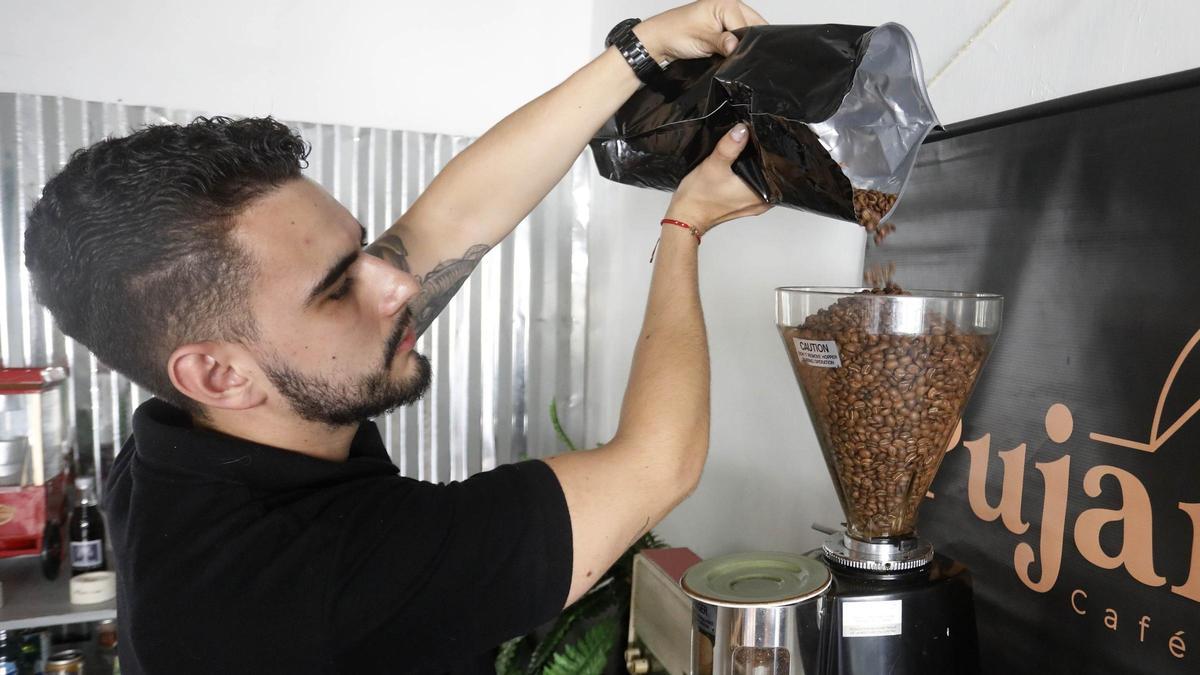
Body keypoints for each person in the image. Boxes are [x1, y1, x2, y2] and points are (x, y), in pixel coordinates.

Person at [24, 1, 768, 672]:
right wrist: (684, 227)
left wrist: (637, 51)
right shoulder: (304, 587)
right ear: (217, 375)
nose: (400, 282)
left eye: (361, 251)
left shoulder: (187, 441)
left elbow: (447, 226)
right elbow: (657, 463)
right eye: (338, 286)